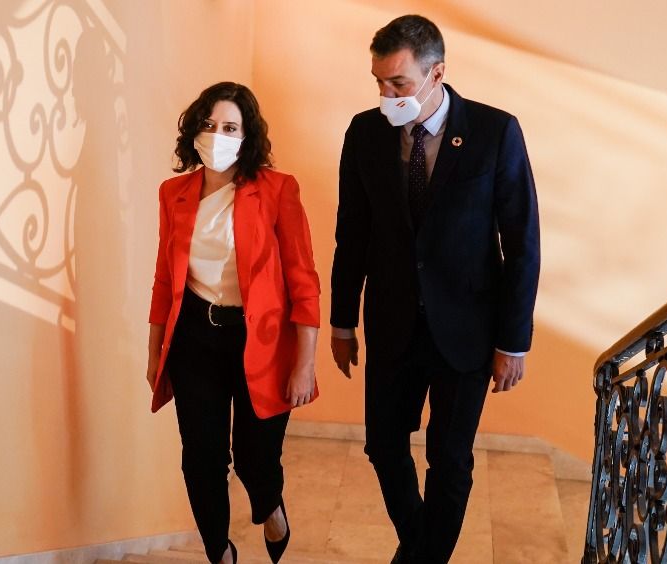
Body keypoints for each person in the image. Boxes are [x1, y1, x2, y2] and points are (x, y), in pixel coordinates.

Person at [330, 15, 540, 564]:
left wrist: (513, 342)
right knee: (383, 446)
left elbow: (522, 243)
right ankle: (421, 547)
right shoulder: (364, 132)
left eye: (398, 83)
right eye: (378, 82)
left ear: (436, 73)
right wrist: (341, 320)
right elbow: (350, 231)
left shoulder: (495, 131)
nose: (386, 94)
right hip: (392, 320)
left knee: (450, 460)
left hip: (467, 330)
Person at [147, 82, 321, 564]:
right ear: (193, 131)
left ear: (246, 136)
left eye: (229, 127)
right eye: (208, 125)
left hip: (260, 341)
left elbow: (303, 281)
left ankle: (270, 506)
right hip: (194, 340)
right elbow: (164, 278)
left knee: (254, 458)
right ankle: (219, 552)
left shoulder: (276, 189)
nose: (217, 135)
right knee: (201, 459)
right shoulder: (174, 193)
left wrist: (304, 362)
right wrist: (154, 352)